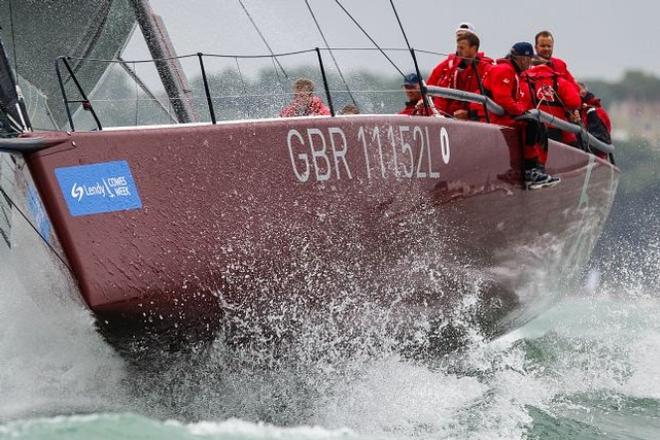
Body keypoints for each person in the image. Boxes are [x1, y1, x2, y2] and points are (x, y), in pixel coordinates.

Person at [484, 42, 560, 189]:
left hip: (501, 116)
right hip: (493, 118)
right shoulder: (505, 70)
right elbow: (503, 98)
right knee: (531, 124)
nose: (530, 64)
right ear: (522, 59)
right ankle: (530, 171)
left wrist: (523, 111)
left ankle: (537, 169)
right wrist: (522, 111)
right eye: (529, 59)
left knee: (538, 125)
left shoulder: (513, 71)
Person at [432, 32, 494, 120]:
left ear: (473, 49)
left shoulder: (486, 69)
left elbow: (488, 98)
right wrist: (437, 113)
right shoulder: (455, 69)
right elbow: (445, 93)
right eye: (457, 47)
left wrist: (469, 114)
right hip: (454, 117)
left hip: (477, 118)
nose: (458, 51)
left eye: (462, 48)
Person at [522, 60, 581, 145]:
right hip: (555, 128)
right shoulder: (560, 82)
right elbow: (574, 102)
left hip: (530, 127)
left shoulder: (524, 79)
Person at [427, 21, 478, 87]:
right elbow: (432, 83)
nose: (461, 38)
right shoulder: (448, 64)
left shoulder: (483, 65)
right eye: (459, 35)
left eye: (465, 35)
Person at [574, 82, 612, 159]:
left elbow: (603, 137)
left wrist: (578, 121)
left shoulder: (596, 111)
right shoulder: (571, 110)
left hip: (595, 155)